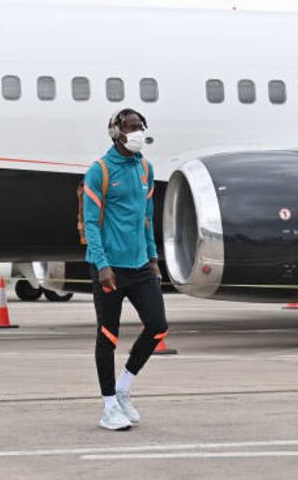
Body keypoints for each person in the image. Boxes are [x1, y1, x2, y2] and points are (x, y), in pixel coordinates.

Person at [83, 108, 168, 430]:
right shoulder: (100, 171)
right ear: (116, 132)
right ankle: (108, 407)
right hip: (109, 268)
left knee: (158, 326)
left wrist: (153, 258)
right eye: (132, 127)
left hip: (140, 265)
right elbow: (91, 222)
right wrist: (102, 265)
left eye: (141, 127)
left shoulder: (146, 168)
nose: (138, 132)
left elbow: (146, 218)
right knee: (108, 335)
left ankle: (123, 388)